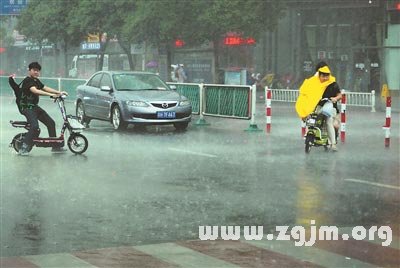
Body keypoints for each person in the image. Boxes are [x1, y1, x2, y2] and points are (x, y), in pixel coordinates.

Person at [18, 62, 68, 156]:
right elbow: (35, 90)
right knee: (35, 127)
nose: (36, 72)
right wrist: (52, 95)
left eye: (38, 70)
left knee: (51, 123)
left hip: (34, 107)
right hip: (26, 107)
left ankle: (55, 146)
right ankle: (23, 147)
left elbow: (45, 88)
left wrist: (59, 92)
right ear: (29, 70)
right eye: (34, 70)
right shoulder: (27, 81)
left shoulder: (36, 80)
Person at [295, 62, 341, 151]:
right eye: (321, 75)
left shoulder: (333, 84)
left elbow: (339, 95)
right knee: (311, 118)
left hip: (331, 108)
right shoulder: (313, 83)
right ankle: (311, 135)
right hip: (318, 107)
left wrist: (335, 98)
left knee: (328, 121)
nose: (324, 78)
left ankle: (333, 144)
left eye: (326, 75)